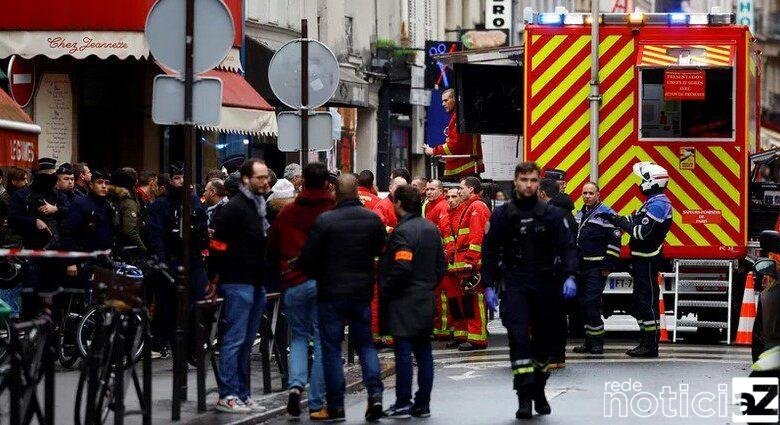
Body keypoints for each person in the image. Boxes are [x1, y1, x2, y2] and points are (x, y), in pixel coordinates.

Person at [481, 161, 578, 419]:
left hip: (547, 284)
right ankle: (524, 397)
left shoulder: (552, 214)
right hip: (516, 283)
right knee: (519, 339)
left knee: (544, 341)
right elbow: (489, 250)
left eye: (533, 180)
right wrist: (488, 284)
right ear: (515, 181)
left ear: (539, 183)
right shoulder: (503, 215)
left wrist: (570, 276)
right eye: (524, 180)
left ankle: (539, 388)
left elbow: (568, 247)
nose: (529, 185)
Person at [299, 173, 387, 422]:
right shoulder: (371, 219)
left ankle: (336, 406)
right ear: (357, 193)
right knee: (366, 345)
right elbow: (381, 248)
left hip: (331, 293)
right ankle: (376, 395)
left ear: (336, 192)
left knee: (330, 349)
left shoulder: (325, 220)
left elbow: (308, 258)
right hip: (361, 292)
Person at [268, 162, 335, 421]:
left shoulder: (288, 212)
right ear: (327, 184)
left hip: (294, 281)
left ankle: (295, 386)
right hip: (324, 283)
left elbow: (272, 247)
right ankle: (316, 402)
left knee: (297, 338)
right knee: (321, 342)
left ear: (302, 182)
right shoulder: (331, 210)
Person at [209, 158, 272, 413]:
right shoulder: (234, 208)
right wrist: (215, 276)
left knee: (247, 340)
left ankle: (243, 393)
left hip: (256, 281)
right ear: (246, 179)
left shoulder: (258, 206)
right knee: (234, 340)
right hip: (237, 280)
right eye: (259, 177)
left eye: (266, 177)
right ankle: (227, 394)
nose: (265, 181)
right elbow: (218, 244)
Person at [379, 185, 446, 419]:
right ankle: (423, 403)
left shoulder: (402, 232)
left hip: (404, 301)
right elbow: (441, 266)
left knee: (404, 354)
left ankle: (403, 402)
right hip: (425, 298)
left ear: (398, 204)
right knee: (424, 353)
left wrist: (388, 288)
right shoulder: (431, 229)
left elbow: (402, 266)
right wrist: (428, 286)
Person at [597, 162, 672, 358]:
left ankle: (649, 345)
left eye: (643, 180)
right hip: (641, 260)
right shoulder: (653, 202)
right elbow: (635, 221)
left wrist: (621, 222)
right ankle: (646, 342)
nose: (640, 183)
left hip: (647, 261)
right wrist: (618, 219)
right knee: (640, 302)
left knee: (646, 302)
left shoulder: (658, 205)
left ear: (651, 182)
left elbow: (641, 232)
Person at [572, 182, 621, 355]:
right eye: (584, 193)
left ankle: (598, 342)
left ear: (598, 194)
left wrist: (608, 265)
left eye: (590, 193)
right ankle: (588, 341)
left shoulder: (607, 214)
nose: (587, 196)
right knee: (582, 305)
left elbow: (615, 242)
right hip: (581, 267)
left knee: (590, 303)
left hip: (597, 267)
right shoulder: (579, 214)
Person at [446, 176, 491, 351]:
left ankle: (477, 338)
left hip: (472, 263)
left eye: (461, 188)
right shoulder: (470, 207)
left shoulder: (476, 207)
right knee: (468, 301)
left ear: (470, 189)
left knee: (474, 300)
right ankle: (472, 336)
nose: (459, 191)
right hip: (465, 262)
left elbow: (476, 235)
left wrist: (472, 260)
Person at [537, 177, 575, 369]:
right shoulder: (566, 212)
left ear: (543, 193)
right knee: (558, 315)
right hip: (560, 270)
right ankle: (558, 356)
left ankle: (551, 356)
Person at [424, 88, 484, 180]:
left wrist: (433, 151)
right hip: (466, 169)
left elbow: (454, 145)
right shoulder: (461, 115)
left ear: (455, 99)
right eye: (442, 101)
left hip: (462, 171)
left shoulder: (459, 117)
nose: (443, 104)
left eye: (445, 100)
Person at [433, 188, 463, 341]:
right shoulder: (445, 215)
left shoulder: (463, 214)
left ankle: (460, 332)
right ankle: (457, 332)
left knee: (460, 301)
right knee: (451, 301)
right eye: (448, 197)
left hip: (460, 266)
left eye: (454, 197)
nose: (450, 200)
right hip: (448, 266)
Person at [109, 168, 147, 257]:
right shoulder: (128, 202)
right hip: (128, 248)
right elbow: (130, 231)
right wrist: (143, 248)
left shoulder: (113, 197)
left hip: (117, 245)